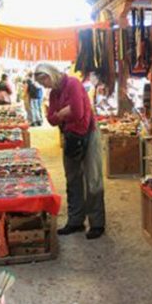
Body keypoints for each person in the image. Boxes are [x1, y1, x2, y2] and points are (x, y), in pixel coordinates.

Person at [34, 62, 106, 239]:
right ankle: (76, 221)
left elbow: (79, 113)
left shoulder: (73, 84)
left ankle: (97, 223)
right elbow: (50, 119)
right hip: (70, 136)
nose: (44, 86)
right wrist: (64, 113)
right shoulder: (54, 94)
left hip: (88, 134)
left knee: (93, 179)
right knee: (72, 179)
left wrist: (62, 116)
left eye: (44, 82)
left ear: (49, 75)